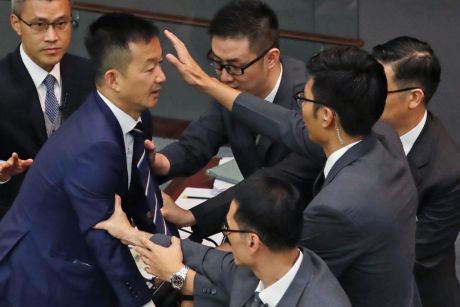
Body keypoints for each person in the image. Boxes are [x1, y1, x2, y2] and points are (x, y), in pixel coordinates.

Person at [163, 31, 419, 307]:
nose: (298, 110)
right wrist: (206, 83)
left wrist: (178, 266)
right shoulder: (380, 136)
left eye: (303, 101)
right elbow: (286, 124)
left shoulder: (337, 208)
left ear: (326, 117)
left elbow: (263, 280)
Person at [0, 13, 170, 307]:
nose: (162, 77)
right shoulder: (95, 145)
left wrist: (173, 250)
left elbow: (139, 195)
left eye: (160, 64)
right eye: (149, 68)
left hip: (78, 256)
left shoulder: (136, 113)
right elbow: (103, 237)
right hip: (46, 277)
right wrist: (145, 303)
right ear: (113, 79)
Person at [153, 0, 324, 240]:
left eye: (234, 67)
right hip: (257, 218)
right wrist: (163, 161)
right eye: (217, 63)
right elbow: (198, 141)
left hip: (306, 225)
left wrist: (193, 216)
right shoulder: (230, 84)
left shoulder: (309, 99)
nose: (223, 76)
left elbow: (282, 180)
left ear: (271, 58)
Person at [96, 173, 352, 307]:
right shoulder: (267, 265)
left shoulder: (322, 302)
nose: (224, 238)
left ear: (253, 242)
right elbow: (198, 254)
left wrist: (178, 275)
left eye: (227, 229)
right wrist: (131, 235)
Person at [372, 36, 460, 307]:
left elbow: (419, 254)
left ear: (414, 98)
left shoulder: (448, 172)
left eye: (379, 89)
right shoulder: (365, 122)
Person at [0, 0, 95, 218]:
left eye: (61, 23)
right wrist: (2, 174)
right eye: (40, 25)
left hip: (81, 217)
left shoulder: (92, 76)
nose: (52, 37)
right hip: (14, 220)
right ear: (16, 23)